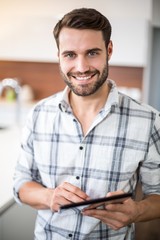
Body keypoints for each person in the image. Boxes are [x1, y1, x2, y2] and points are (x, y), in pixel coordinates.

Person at [13, 8, 160, 240]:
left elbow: (158, 194)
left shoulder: (149, 120)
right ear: (59, 55)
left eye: (92, 53)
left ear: (109, 50)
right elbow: (21, 184)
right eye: (70, 54)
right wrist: (49, 196)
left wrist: (138, 211)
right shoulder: (38, 114)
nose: (81, 67)